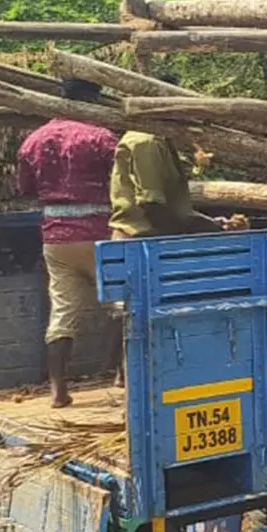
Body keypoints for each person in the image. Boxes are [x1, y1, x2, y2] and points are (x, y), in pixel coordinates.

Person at [15, 79, 121, 408]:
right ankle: (123, 375)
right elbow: (122, 184)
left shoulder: (34, 141)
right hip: (101, 234)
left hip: (57, 238)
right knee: (122, 306)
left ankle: (58, 392)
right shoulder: (103, 138)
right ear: (91, 100)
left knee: (62, 313)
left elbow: (24, 188)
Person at [109, 129, 223, 239]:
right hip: (141, 238)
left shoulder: (160, 140)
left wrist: (213, 223)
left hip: (150, 235)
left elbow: (175, 201)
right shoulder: (147, 143)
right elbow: (152, 206)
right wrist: (202, 228)